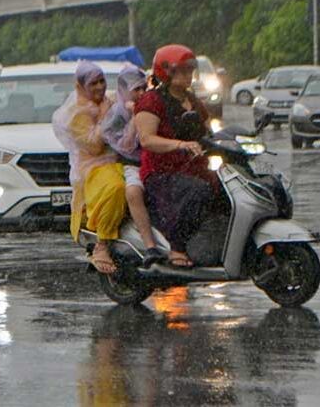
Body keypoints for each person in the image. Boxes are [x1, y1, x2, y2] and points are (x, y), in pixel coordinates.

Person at [134, 44, 218, 268]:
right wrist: (180, 145)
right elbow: (147, 139)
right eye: (182, 70)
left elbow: (208, 131)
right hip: (162, 172)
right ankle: (177, 246)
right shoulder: (151, 101)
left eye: (190, 70)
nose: (188, 75)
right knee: (199, 191)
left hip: (194, 168)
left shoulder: (193, 101)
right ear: (166, 72)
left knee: (226, 190)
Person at [53, 61, 127, 274]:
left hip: (120, 160)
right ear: (80, 86)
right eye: (93, 83)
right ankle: (101, 244)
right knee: (116, 188)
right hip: (94, 168)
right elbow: (94, 147)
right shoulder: (76, 114)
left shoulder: (111, 100)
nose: (99, 87)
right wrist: (106, 116)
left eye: (102, 81)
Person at [100, 65, 166, 267]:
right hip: (134, 164)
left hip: (160, 160)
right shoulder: (118, 114)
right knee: (133, 193)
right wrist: (134, 118)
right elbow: (126, 145)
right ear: (123, 92)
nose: (140, 94)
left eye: (142, 89)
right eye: (135, 90)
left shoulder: (155, 104)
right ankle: (150, 245)